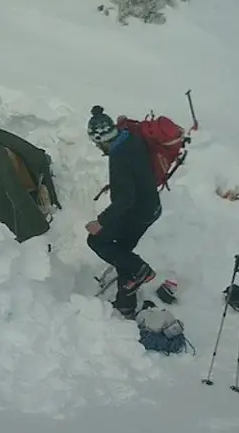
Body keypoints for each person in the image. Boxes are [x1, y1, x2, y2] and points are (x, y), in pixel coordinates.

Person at [85, 105, 162, 319]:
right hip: (150, 206)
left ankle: (141, 271)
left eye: (97, 144)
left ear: (101, 140)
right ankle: (125, 304)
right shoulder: (130, 138)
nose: (99, 148)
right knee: (122, 253)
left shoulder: (118, 156)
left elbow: (126, 199)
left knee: (97, 241)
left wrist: (101, 222)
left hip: (138, 212)